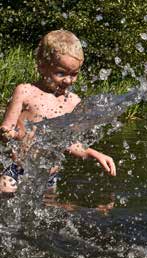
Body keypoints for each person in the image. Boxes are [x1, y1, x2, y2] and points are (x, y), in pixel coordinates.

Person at [0, 29, 116, 194]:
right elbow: (6, 129)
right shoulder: (25, 92)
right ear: (41, 66)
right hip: (17, 170)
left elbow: (69, 143)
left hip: (49, 176)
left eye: (74, 74)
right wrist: (10, 134)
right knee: (5, 195)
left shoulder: (73, 102)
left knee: (50, 209)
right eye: (61, 73)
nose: (68, 80)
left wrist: (94, 154)